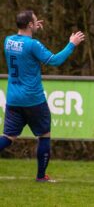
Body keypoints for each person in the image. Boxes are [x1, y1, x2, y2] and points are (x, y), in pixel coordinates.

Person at [1, 10, 85, 182]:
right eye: (34, 21)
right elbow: (54, 60)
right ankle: (41, 176)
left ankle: (41, 176)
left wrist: (32, 29)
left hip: (13, 99)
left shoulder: (8, 41)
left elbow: (22, 45)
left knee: (8, 137)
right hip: (33, 99)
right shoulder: (33, 44)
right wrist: (72, 44)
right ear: (30, 25)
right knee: (44, 135)